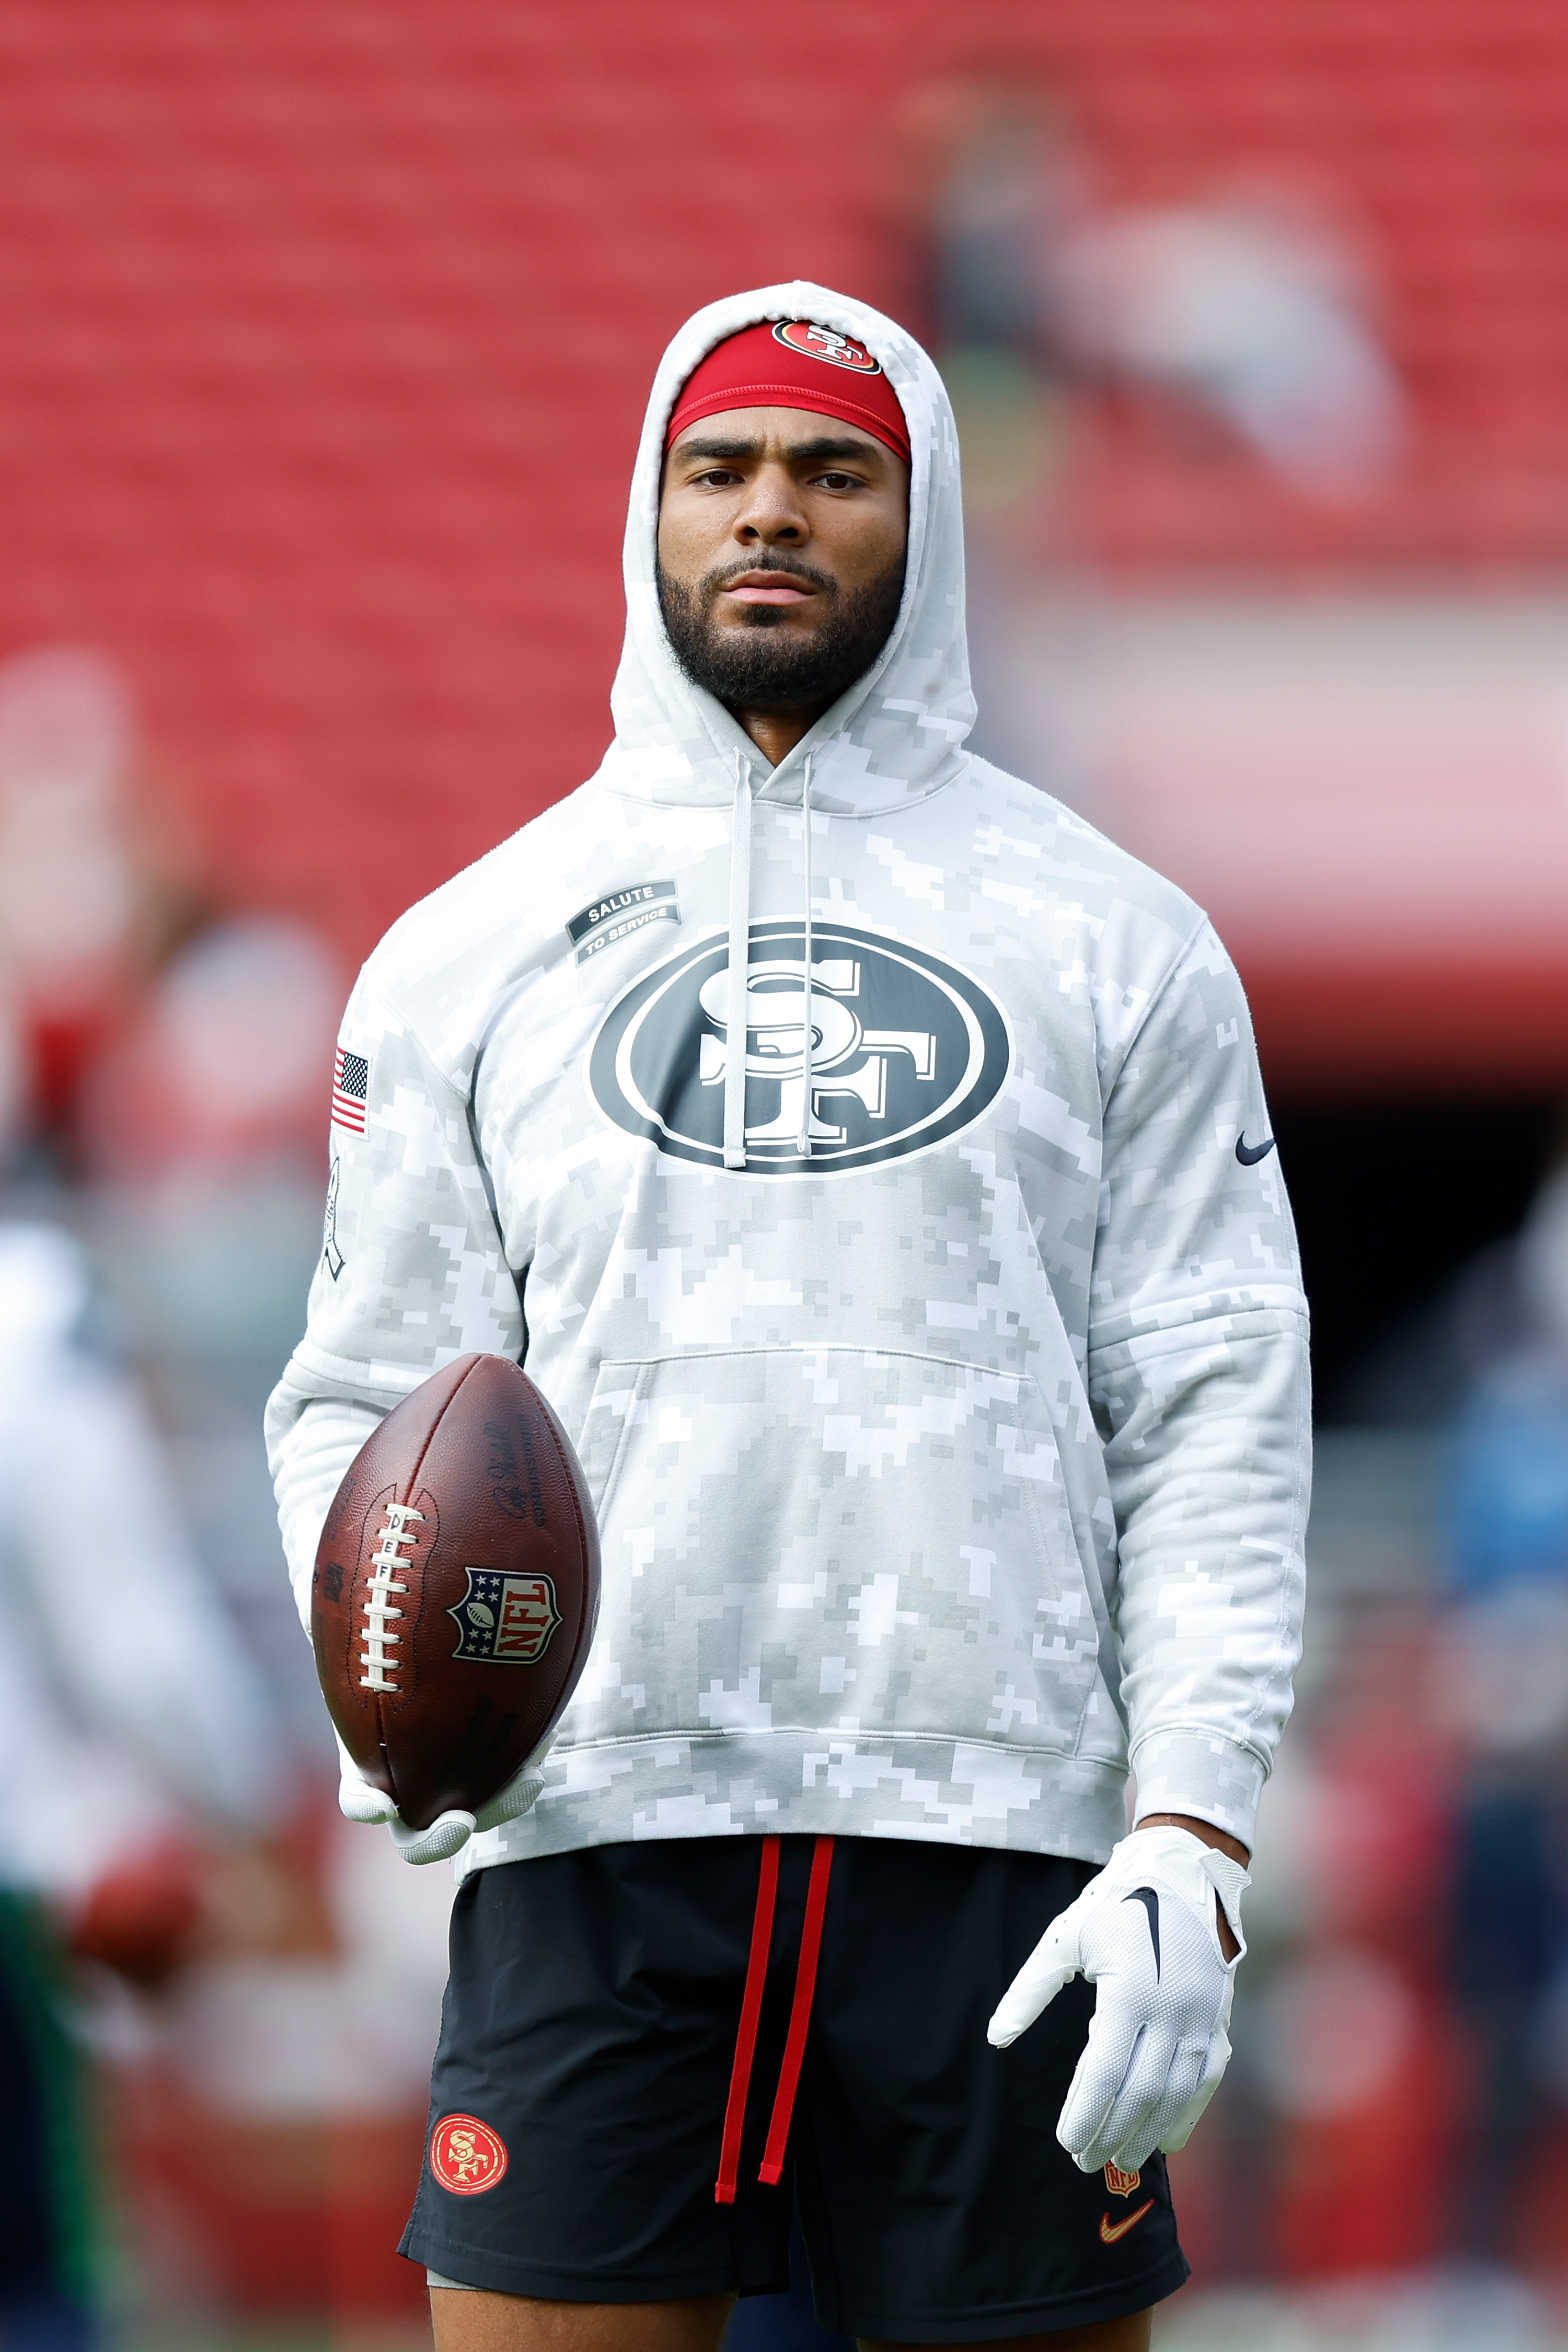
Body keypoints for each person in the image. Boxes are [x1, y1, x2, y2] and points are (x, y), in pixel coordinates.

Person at [267, 285, 1309, 2352]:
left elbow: (1213, 1406)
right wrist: (383, 1700)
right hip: (596, 1829)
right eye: (720, 470)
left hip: (1006, 1850)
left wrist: (1193, 1820)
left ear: (916, 525)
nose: (773, 515)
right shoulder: (468, 952)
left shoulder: (1123, 945)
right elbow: (369, 1395)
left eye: (835, 475)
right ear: (647, 515)